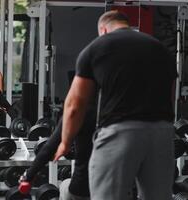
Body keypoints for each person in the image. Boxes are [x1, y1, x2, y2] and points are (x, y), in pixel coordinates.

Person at [53, 10, 177, 200]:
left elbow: (75, 104)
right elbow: (169, 93)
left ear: (103, 29)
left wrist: (65, 142)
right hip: (163, 132)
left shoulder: (97, 47)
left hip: (120, 132)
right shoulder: (159, 48)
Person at [19, 108, 96, 200]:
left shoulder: (78, 111)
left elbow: (48, 149)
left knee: (64, 185)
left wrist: (28, 176)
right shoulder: (113, 115)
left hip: (83, 188)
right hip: (110, 186)